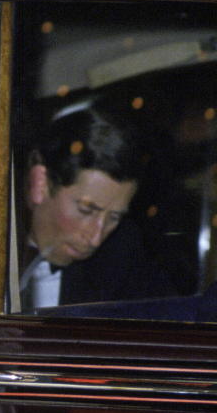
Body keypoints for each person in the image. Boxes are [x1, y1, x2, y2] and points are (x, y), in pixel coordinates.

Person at [19, 103, 175, 310]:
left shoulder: (121, 256)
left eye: (114, 218)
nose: (95, 238)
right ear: (40, 183)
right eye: (86, 210)